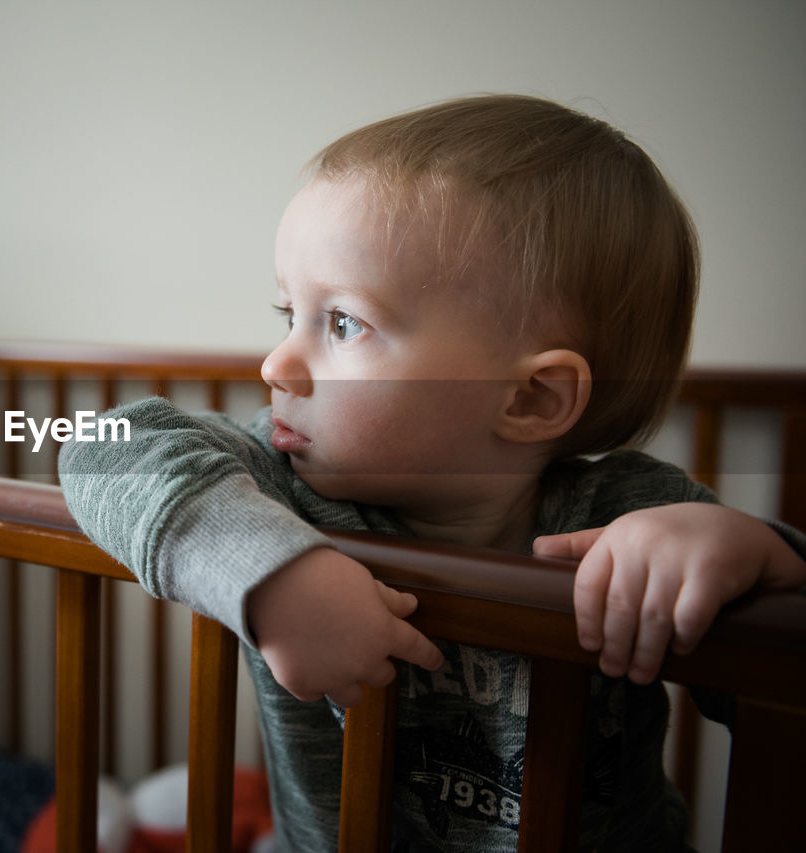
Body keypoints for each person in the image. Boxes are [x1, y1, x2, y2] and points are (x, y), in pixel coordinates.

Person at [58, 94, 806, 852]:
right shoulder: (281, 489)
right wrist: (265, 569)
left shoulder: (628, 518)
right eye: (288, 312)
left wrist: (753, 555)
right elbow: (103, 442)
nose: (276, 363)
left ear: (528, 398)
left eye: (343, 322)